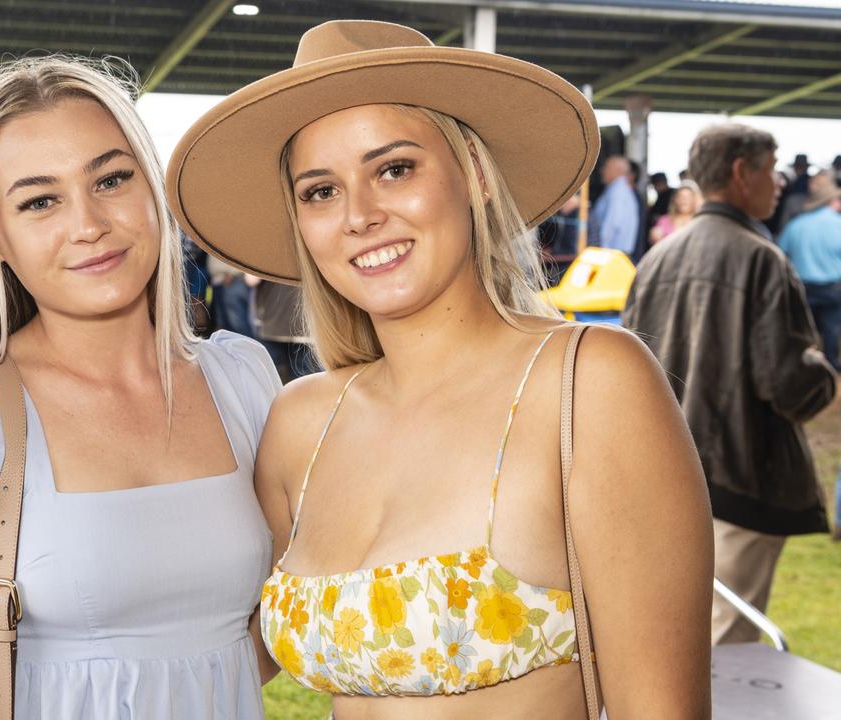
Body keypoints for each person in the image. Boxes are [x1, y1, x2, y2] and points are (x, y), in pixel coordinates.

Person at [169, 20, 713, 718]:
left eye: (394, 168)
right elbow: (221, 651)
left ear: (476, 176)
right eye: (320, 191)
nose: (360, 215)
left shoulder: (587, 384)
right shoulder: (301, 420)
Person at [0, 56, 281, 719]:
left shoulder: (243, 380)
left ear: (155, 191)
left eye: (111, 179)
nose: (89, 224)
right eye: (40, 200)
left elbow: (272, 628)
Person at [623, 124, 834, 646]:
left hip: (663, 477)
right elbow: (790, 384)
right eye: (771, 169)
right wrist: (825, 376)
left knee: (668, 641)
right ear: (741, 172)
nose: (780, 182)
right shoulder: (761, 258)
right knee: (726, 654)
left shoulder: (657, 259)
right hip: (741, 479)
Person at [777, 173, 841, 369]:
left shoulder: (796, 224)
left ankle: (807, 370)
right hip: (833, 288)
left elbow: (781, 254)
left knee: (805, 334)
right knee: (831, 330)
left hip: (802, 287)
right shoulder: (838, 224)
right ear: (831, 201)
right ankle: (830, 367)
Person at [589, 155, 640, 257]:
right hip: (614, 253)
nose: (602, 171)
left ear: (617, 170)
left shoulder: (618, 192)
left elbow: (612, 224)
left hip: (610, 254)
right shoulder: (619, 190)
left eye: (606, 167)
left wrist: (601, 252)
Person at [649, 180, 699, 245]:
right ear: (675, 200)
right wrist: (654, 237)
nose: (684, 200)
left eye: (688, 197)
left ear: (694, 200)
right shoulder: (664, 220)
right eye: (681, 196)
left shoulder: (700, 221)